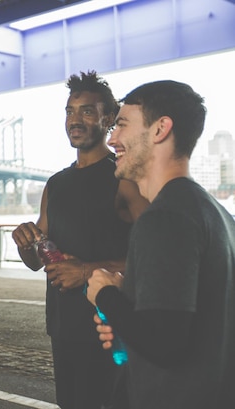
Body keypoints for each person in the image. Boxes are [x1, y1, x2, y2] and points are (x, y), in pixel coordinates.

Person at [86, 80, 235, 408]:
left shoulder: (164, 218)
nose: (111, 139)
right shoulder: (218, 216)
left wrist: (106, 294)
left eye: (122, 124)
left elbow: (165, 344)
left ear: (160, 129)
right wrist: (129, 317)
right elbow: (196, 328)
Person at [11, 71, 149, 409]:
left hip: (110, 328)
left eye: (87, 111)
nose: (75, 120)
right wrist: (24, 242)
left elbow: (155, 259)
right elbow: (37, 260)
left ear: (107, 120)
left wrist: (87, 270)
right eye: (70, 112)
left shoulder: (124, 178)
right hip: (64, 328)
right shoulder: (55, 184)